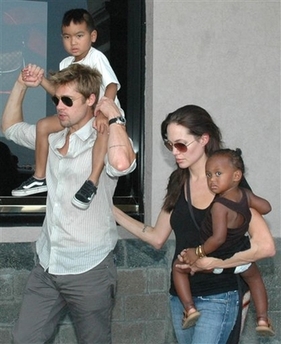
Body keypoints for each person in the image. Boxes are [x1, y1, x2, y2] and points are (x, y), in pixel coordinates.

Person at [112, 105, 275, 344]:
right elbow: (157, 236)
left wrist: (218, 262)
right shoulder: (178, 180)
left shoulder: (232, 187)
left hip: (220, 295)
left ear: (204, 139)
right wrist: (111, 210)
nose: (174, 152)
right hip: (182, 297)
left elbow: (266, 247)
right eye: (169, 145)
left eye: (180, 144)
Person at [1, 63, 136, 344]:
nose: (59, 107)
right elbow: (11, 128)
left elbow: (123, 164)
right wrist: (22, 83)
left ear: (90, 100)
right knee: (23, 339)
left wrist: (114, 117)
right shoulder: (51, 137)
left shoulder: (106, 139)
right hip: (48, 266)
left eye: (68, 101)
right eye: (57, 99)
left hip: (90, 269)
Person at [12, 8, 124, 210]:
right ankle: (39, 177)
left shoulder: (96, 57)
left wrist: (103, 112)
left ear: (93, 36)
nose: (73, 42)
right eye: (67, 37)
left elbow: (112, 86)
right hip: (81, 117)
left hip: (104, 114)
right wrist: (41, 81)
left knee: (102, 133)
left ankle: (92, 182)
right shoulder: (66, 63)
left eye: (79, 36)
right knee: (43, 125)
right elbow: (59, 93)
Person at [172, 148, 275, 336]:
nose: (212, 180)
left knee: (179, 267)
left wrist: (198, 252)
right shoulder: (246, 195)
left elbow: (218, 238)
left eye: (218, 174)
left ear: (236, 175)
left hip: (215, 258)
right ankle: (262, 319)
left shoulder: (219, 205)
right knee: (255, 279)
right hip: (240, 257)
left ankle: (190, 308)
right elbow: (266, 207)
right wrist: (249, 203)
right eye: (209, 175)